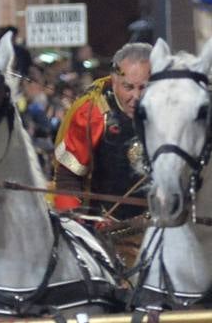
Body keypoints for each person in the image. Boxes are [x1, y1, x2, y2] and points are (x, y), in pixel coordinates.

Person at [52, 42, 151, 222]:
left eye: (143, 88)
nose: (136, 97)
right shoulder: (92, 113)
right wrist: (74, 226)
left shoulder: (170, 112)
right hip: (106, 234)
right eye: (128, 87)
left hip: (162, 230)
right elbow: (68, 179)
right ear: (114, 80)